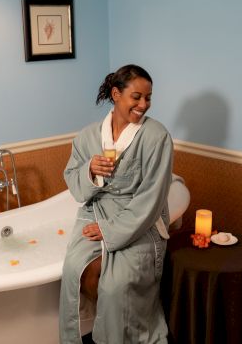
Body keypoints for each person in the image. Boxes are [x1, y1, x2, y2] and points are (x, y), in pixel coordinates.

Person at [59, 64, 173, 344]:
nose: (143, 104)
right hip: (95, 213)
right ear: (116, 94)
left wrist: (110, 230)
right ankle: (109, 330)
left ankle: (124, 334)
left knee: (116, 285)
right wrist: (90, 170)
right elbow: (74, 183)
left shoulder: (157, 137)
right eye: (136, 97)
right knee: (78, 270)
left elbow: (152, 197)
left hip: (139, 222)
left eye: (148, 98)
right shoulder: (88, 136)